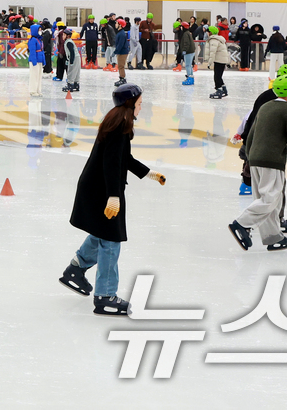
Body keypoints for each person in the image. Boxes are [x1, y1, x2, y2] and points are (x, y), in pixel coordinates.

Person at [59, 83, 166, 315]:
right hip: (102, 190)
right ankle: (105, 295)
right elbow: (111, 163)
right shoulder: (120, 126)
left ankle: (75, 270)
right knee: (110, 241)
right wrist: (113, 196)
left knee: (102, 233)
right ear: (130, 104)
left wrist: (149, 174)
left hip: (96, 187)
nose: (141, 107)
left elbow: (123, 158)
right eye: (139, 103)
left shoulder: (118, 120)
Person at [229, 75, 287, 251]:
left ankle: (273, 237)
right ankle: (241, 224)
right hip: (271, 161)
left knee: (270, 200)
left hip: (256, 160)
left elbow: (251, 134)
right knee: (270, 199)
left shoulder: (265, 107)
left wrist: (249, 160)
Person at [206, 29, 230, 98]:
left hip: (219, 60)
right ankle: (224, 89)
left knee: (217, 76)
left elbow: (212, 52)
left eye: (208, 32)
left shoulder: (214, 40)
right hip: (222, 60)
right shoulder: (219, 39)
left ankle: (219, 90)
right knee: (219, 76)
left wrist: (209, 63)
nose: (207, 33)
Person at [178, 21, 196, 85]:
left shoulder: (185, 34)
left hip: (188, 52)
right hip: (191, 51)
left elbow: (186, 43)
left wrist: (184, 50)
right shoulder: (188, 33)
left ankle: (189, 78)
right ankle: (191, 77)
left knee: (187, 65)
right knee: (189, 65)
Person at [112, 19, 130, 84]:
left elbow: (120, 44)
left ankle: (123, 79)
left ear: (120, 25)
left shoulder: (121, 34)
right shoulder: (120, 33)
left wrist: (115, 52)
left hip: (123, 52)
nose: (115, 24)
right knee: (120, 65)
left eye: (117, 23)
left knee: (121, 66)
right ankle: (121, 78)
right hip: (121, 52)